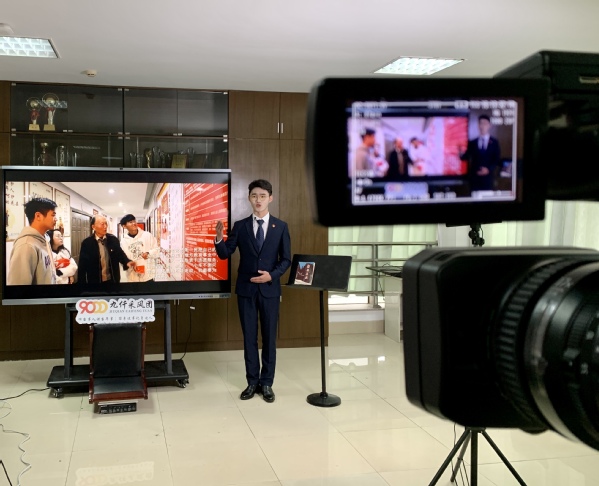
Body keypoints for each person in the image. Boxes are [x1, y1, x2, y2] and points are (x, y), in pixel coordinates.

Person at [214, 179, 291, 403]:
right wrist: (219, 239)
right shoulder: (241, 226)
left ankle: (266, 383)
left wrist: (271, 275)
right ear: (249, 198)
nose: (258, 200)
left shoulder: (281, 226)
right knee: (249, 338)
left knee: (269, 338)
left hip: (269, 289)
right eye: (254, 196)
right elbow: (225, 253)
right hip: (246, 290)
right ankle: (251, 382)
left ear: (270, 198)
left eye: (263, 196)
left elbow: (286, 259)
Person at [7, 197, 58, 285]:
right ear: (38, 216)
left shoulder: (44, 239)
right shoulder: (26, 245)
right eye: (53, 215)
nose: (56, 219)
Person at [78, 215, 135, 285]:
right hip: (95, 282)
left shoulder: (113, 239)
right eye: (102, 224)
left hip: (112, 279)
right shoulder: (87, 243)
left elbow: (119, 253)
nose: (105, 226)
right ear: (93, 227)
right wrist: (81, 284)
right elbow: (82, 265)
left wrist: (127, 261)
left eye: (106, 224)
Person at [460, 114, 501, 191]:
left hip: (488, 179)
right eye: (481, 123)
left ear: (489, 125)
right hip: (475, 179)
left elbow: (496, 159)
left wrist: (488, 169)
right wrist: (460, 153)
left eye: (485, 123)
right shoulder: (472, 142)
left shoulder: (494, 142)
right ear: (478, 125)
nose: (482, 126)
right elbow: (466, 156)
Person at [119, 214, 159, 282]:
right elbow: (122, 257)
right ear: (124, 226)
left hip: (148, 276)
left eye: (134, 221)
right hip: (132, 276)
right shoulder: (123, 241)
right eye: (130, 222)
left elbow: (157, 249)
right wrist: (128, 262)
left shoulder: (147, 235)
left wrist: (148, 253)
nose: (134, 223)